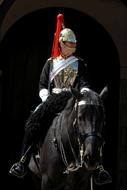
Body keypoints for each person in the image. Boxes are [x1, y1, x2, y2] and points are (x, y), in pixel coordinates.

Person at [9, 14, 112, 185]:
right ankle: (23, 160)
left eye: (74, 43)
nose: (73, 46)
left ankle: (99, 167)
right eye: (70, 43)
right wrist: (45, 98)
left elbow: (84, 82)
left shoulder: (79, 63)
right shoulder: (50, 63)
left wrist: (84, 92)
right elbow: (43, 83)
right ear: (62, 44)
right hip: (52, 99)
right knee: (32, 124)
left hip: (72, 97)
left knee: (93, 124)